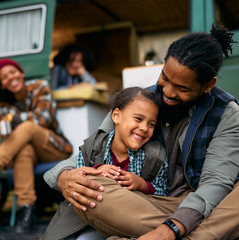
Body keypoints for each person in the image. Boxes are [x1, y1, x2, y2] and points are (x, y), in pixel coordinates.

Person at [42, 23, 239, 240]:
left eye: (181, 87)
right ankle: (222, 233)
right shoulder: (137, 103)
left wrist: (170, 230)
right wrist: (64, 176)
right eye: (164, 78)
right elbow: (93, 148)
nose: (168, 92)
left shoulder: (226, 112)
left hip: (207, 204)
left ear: (207, 85)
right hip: (146, 204)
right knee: (90, 187)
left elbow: (216, 184)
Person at [0, 58, 73, 233]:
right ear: (1, 84)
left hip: (54, 147)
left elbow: (42, 119)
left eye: (12, 72)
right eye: (4, 77)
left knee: (27, 127)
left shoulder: (40, 86)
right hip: (29, 151)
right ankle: (26, 210)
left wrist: (15, 119)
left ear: (21, 73)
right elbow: (7, 137)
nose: (10, 78)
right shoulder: (2, 104)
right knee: (23, 149)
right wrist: (6, 130)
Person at [43, 87, 168, 240]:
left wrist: (143, 185)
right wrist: (96, 171)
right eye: (138, 119)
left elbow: (164, 195)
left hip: (130, 225)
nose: (144, 128)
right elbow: (79, 181)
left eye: (151, 124)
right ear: (116, 116)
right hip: (88, 219)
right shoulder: (92, 148)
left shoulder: (155, 157)